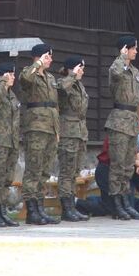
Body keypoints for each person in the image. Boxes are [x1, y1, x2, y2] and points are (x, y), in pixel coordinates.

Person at [104, 35, 139, 220]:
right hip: (119, 121)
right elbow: (116, 74)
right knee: (118, 165)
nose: (136, 51)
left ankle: (125, 201)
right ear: (125, 49)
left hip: (131, 122)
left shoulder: (135, 71)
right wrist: (121, 58)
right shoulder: (117, 67)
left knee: (128, 166)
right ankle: (116, 204)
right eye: (133, 48)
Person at [19, 43, 61, 225]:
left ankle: (40, 207)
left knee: (44, 171)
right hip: (36, 128)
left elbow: (55, 105)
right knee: (33, 170)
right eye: (47, 56)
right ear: (39, 57)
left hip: (50, 129)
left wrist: (57, 130)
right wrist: (37, 65)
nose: (50, 59)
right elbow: (25, 80)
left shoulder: (50, 78)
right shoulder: (29, 73)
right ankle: (31, 211)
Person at [0, 62, 21, 228]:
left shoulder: (12, 95)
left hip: (12, 143)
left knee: (7, 179)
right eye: (11, 74)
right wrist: (1, 82)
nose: (13, 77)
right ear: (3, 76)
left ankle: (2, 211)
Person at [56, 55, 90, 222]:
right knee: (66, 172)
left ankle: (72, 206)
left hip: (80, 132)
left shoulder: (79, 85)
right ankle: (66, 208)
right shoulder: (64, 82)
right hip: (68, 132)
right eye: (80, 68)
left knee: (75, 171)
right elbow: (60, 90)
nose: (82, 71)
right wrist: (72, 75)